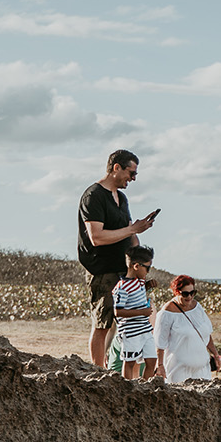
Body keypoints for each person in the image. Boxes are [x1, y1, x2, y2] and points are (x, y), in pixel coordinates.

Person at [79, 149, 157, 367]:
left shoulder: (121, 198)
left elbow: (129, 233)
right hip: (102, 269)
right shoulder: (93, 196)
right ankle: (97, 371)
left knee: (126, 321)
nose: (133, 179)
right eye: (131, 173)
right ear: (116, 168)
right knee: (102, 322)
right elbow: (96, 237)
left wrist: (141, 262)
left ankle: (122, 369)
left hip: (125, 269)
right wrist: (132, 229)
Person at [153, 274, 220, 385]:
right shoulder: (166, 313)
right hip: (179, 370)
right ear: (176, 292)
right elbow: (159, 344)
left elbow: (206, 334)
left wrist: (215, 355)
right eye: (185, 294)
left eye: (192, 293)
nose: (189, 297)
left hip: (203, 369)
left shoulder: (197, 307)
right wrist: (160, 366)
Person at [112, 247, 157, 379]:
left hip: (145, 329)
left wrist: (148, 286)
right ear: (136, 266)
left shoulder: (140, 282)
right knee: (129, 361)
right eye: (147, 268)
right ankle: (127, 387)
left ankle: (146, 386)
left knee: (151, 361)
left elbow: (138, 293)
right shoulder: (121, 287)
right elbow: (117, 311)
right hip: (130, 331)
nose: (148, 271)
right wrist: (142, 312)